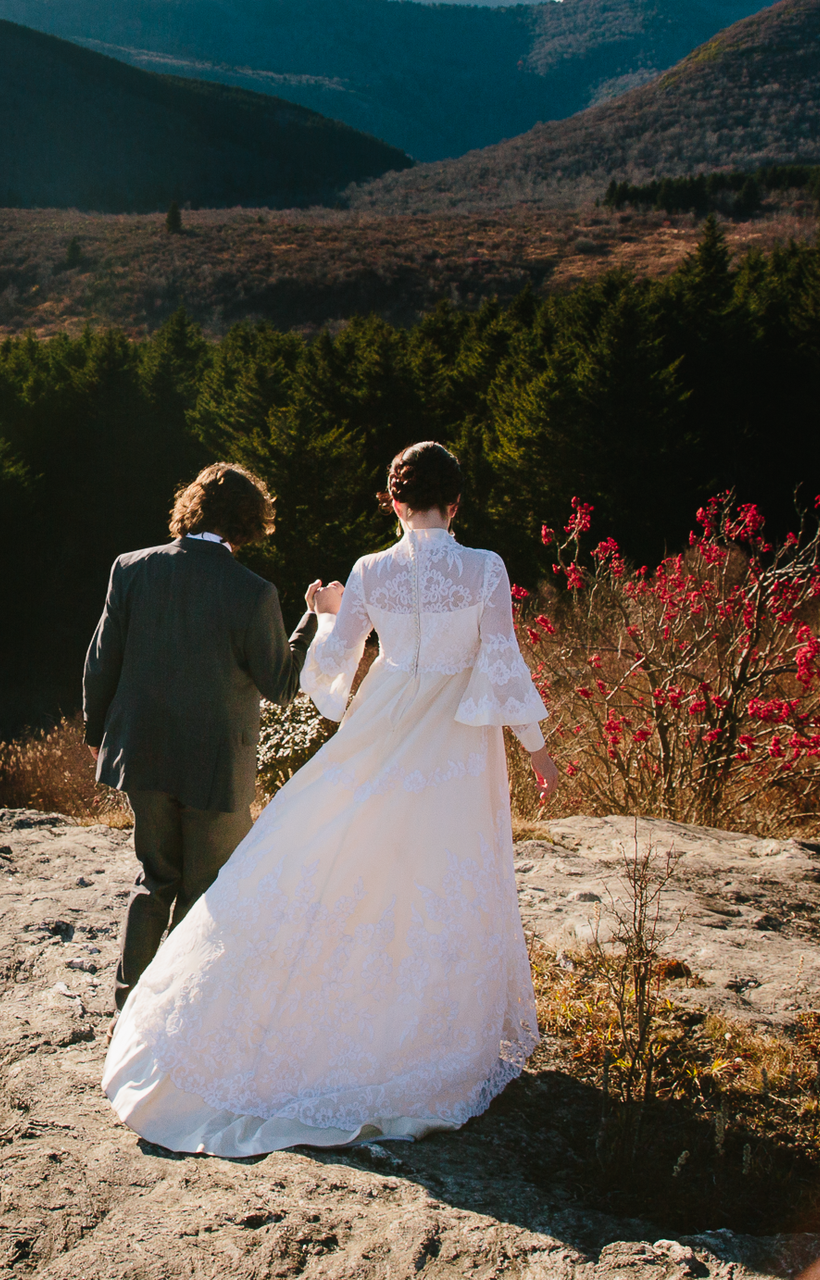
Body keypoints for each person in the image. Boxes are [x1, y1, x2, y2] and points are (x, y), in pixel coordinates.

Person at [102, 440, 562, 1156]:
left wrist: (323, 614)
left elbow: (326, 677)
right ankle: (437, 1032)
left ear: (393, 502)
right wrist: (536, 746)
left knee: (360, 866)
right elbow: (502, 659)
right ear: (456, 503)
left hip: (383, 725)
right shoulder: (486, 568)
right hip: (456, 744)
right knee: (446, 874)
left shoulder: (371, 569)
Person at [83, 461, 319, 1011]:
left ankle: (129, 1008)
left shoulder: (131, 568)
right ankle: (177, 1013)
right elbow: (282, 685)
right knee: (205, 892)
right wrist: (312, 621)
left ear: (191, 506)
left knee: (154, 881)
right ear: (250, 521)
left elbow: (100, 659)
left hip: (141, 754)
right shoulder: (254, 593)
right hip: (216, 768)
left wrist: (99, 734)